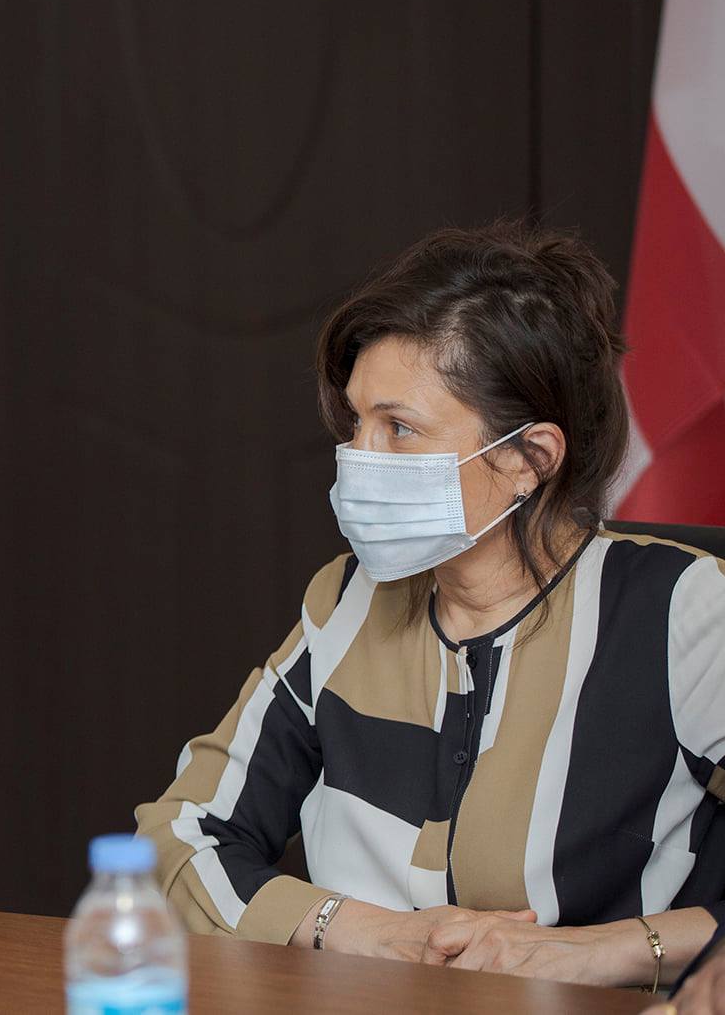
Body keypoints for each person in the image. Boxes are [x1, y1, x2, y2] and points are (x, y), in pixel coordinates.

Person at [136, 222, 724, 987]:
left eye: (399, 428)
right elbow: (178, 836)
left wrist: (608, 949)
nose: (358, 459)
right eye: (356, 422)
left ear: (529, 458)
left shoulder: (682, 611)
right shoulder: (347, 599)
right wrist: (353, 927)